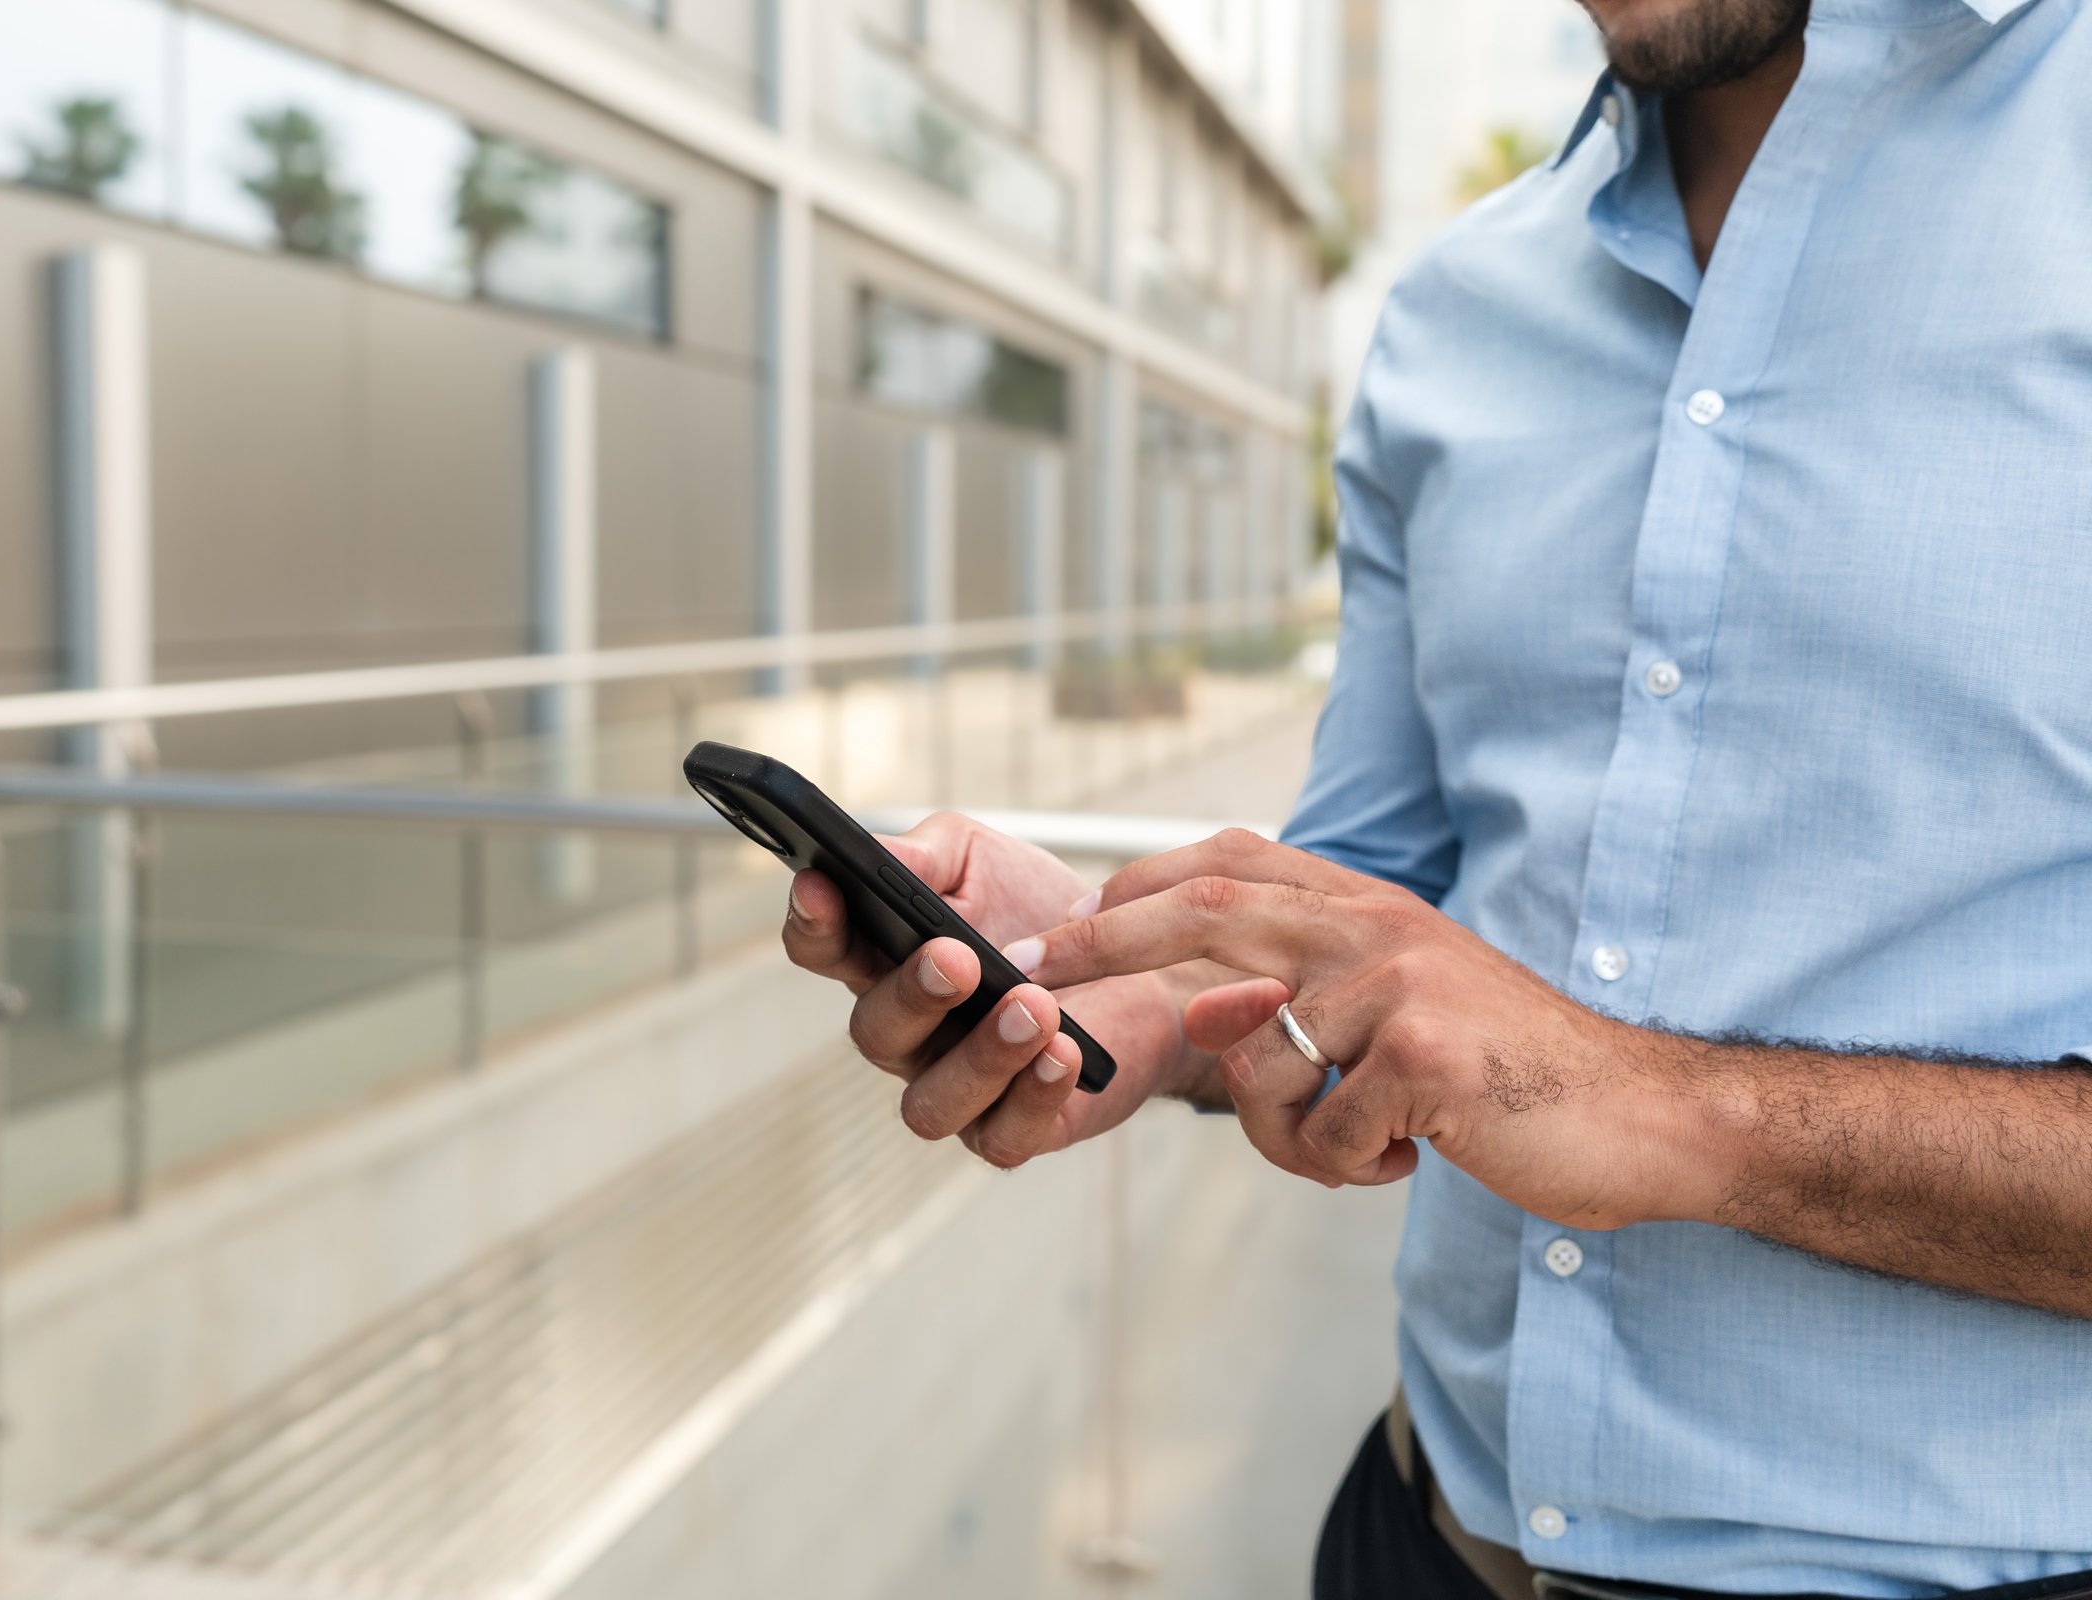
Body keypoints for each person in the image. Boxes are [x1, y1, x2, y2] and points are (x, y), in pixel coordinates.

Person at [781, 0, 2092, 1594]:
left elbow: (1576, 1074)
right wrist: (1117, 979)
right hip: (1428, 1535)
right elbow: (1374, 902)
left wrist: (1671, 1112)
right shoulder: (1464, 308)